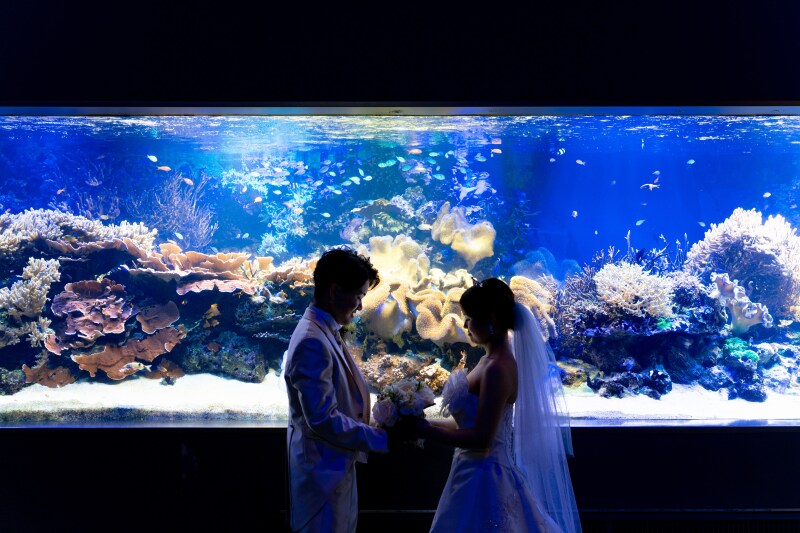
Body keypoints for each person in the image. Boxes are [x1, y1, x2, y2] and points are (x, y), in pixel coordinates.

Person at [412, 277, 582, 533]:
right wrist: (421, 424)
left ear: (490, 320)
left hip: (484, 476)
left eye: (470, 317)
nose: (466, 324)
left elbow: (482, 438)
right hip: (470, 470)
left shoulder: (497, 368)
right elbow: (466, 422)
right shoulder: (488, 361)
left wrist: (426, 431)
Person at [283, 247, 404, 533]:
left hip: (335, 468)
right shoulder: (311, 341)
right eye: (359, 296)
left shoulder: (324, 329)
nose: (361, 306)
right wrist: (380, 438)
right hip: (322, 477)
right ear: (335, 291)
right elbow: (322, 419)